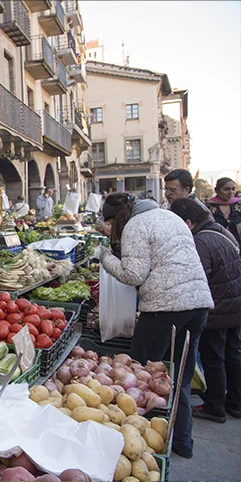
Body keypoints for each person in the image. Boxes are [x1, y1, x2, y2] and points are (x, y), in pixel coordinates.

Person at [99, 193, 214, 459]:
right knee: (180, 376)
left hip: (166, 308)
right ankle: (182, 442)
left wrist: (105, 257)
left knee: (141, 376)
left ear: (117, 217)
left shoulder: (135, 225)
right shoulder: (168, 216)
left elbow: (133, 274)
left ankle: (141, 445)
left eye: (110, 223)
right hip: (198, 304)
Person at [169, 198, 241, 423]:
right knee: (233, 354)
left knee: (213, 358)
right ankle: (235, 403)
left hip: (217, 308)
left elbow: (197, 277)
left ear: (188, 222)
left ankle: (215, 406)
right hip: (234, 304)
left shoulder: (200, 241)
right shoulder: (221, 231)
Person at [206, 177, 241, 246]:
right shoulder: (208, 207)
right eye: (226, 189)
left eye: (233, 189)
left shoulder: (239, 205)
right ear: (217, 190)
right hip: (217, 245)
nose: (231, 192)